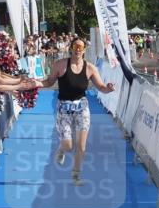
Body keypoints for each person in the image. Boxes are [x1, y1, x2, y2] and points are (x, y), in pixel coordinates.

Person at [39, 38, 115, 186]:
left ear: (85, 50)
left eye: (81, 47)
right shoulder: (60, 65)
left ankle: (76, 174)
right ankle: (61, 149)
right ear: (71, 48)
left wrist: (109, 88)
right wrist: (35, 84)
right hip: (64, 108)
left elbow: (101, 87)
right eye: (76, 46)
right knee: (68, 145)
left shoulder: (90, 68)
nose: (78, 50)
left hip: (82, 108)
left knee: (81, 146)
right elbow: (49, 82)